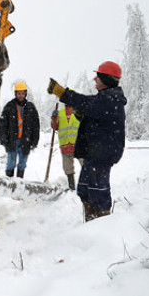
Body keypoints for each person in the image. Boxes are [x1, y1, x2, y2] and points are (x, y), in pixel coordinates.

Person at [47, 61, 127, 222]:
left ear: (107, 79)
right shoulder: (105, 99)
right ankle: (90, 224)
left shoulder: (112, 99)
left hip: (102, 154)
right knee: (84, 190)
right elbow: (93, 111)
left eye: (98, 76)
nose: (94, 79)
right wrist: (81, 115)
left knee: (98, 192)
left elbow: (87, 103)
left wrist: (63, 93)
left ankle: (102, 225)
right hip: (94, 153)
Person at [0, 81, 40, 178]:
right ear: (15, 94)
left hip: (25, 141)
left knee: (22, 163)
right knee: (11, 163)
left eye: (22, 93)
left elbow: (36, 126)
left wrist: (35, 141)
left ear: (25, 94)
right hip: (12, 140)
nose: (21, 95)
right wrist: (4, 139)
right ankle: (9, 183)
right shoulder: (9, 106)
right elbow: (3, 124)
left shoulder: (31, 107)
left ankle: (19, 183)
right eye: (19, 93)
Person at [50, 105, 81, 191]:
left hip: (79, 144)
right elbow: (55, 126)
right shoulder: (60, 114)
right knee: (67, 168)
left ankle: (89, 186)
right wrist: (54, 118)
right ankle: (72, 188)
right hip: (65, 145)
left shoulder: (79, 112)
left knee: (86, 166)